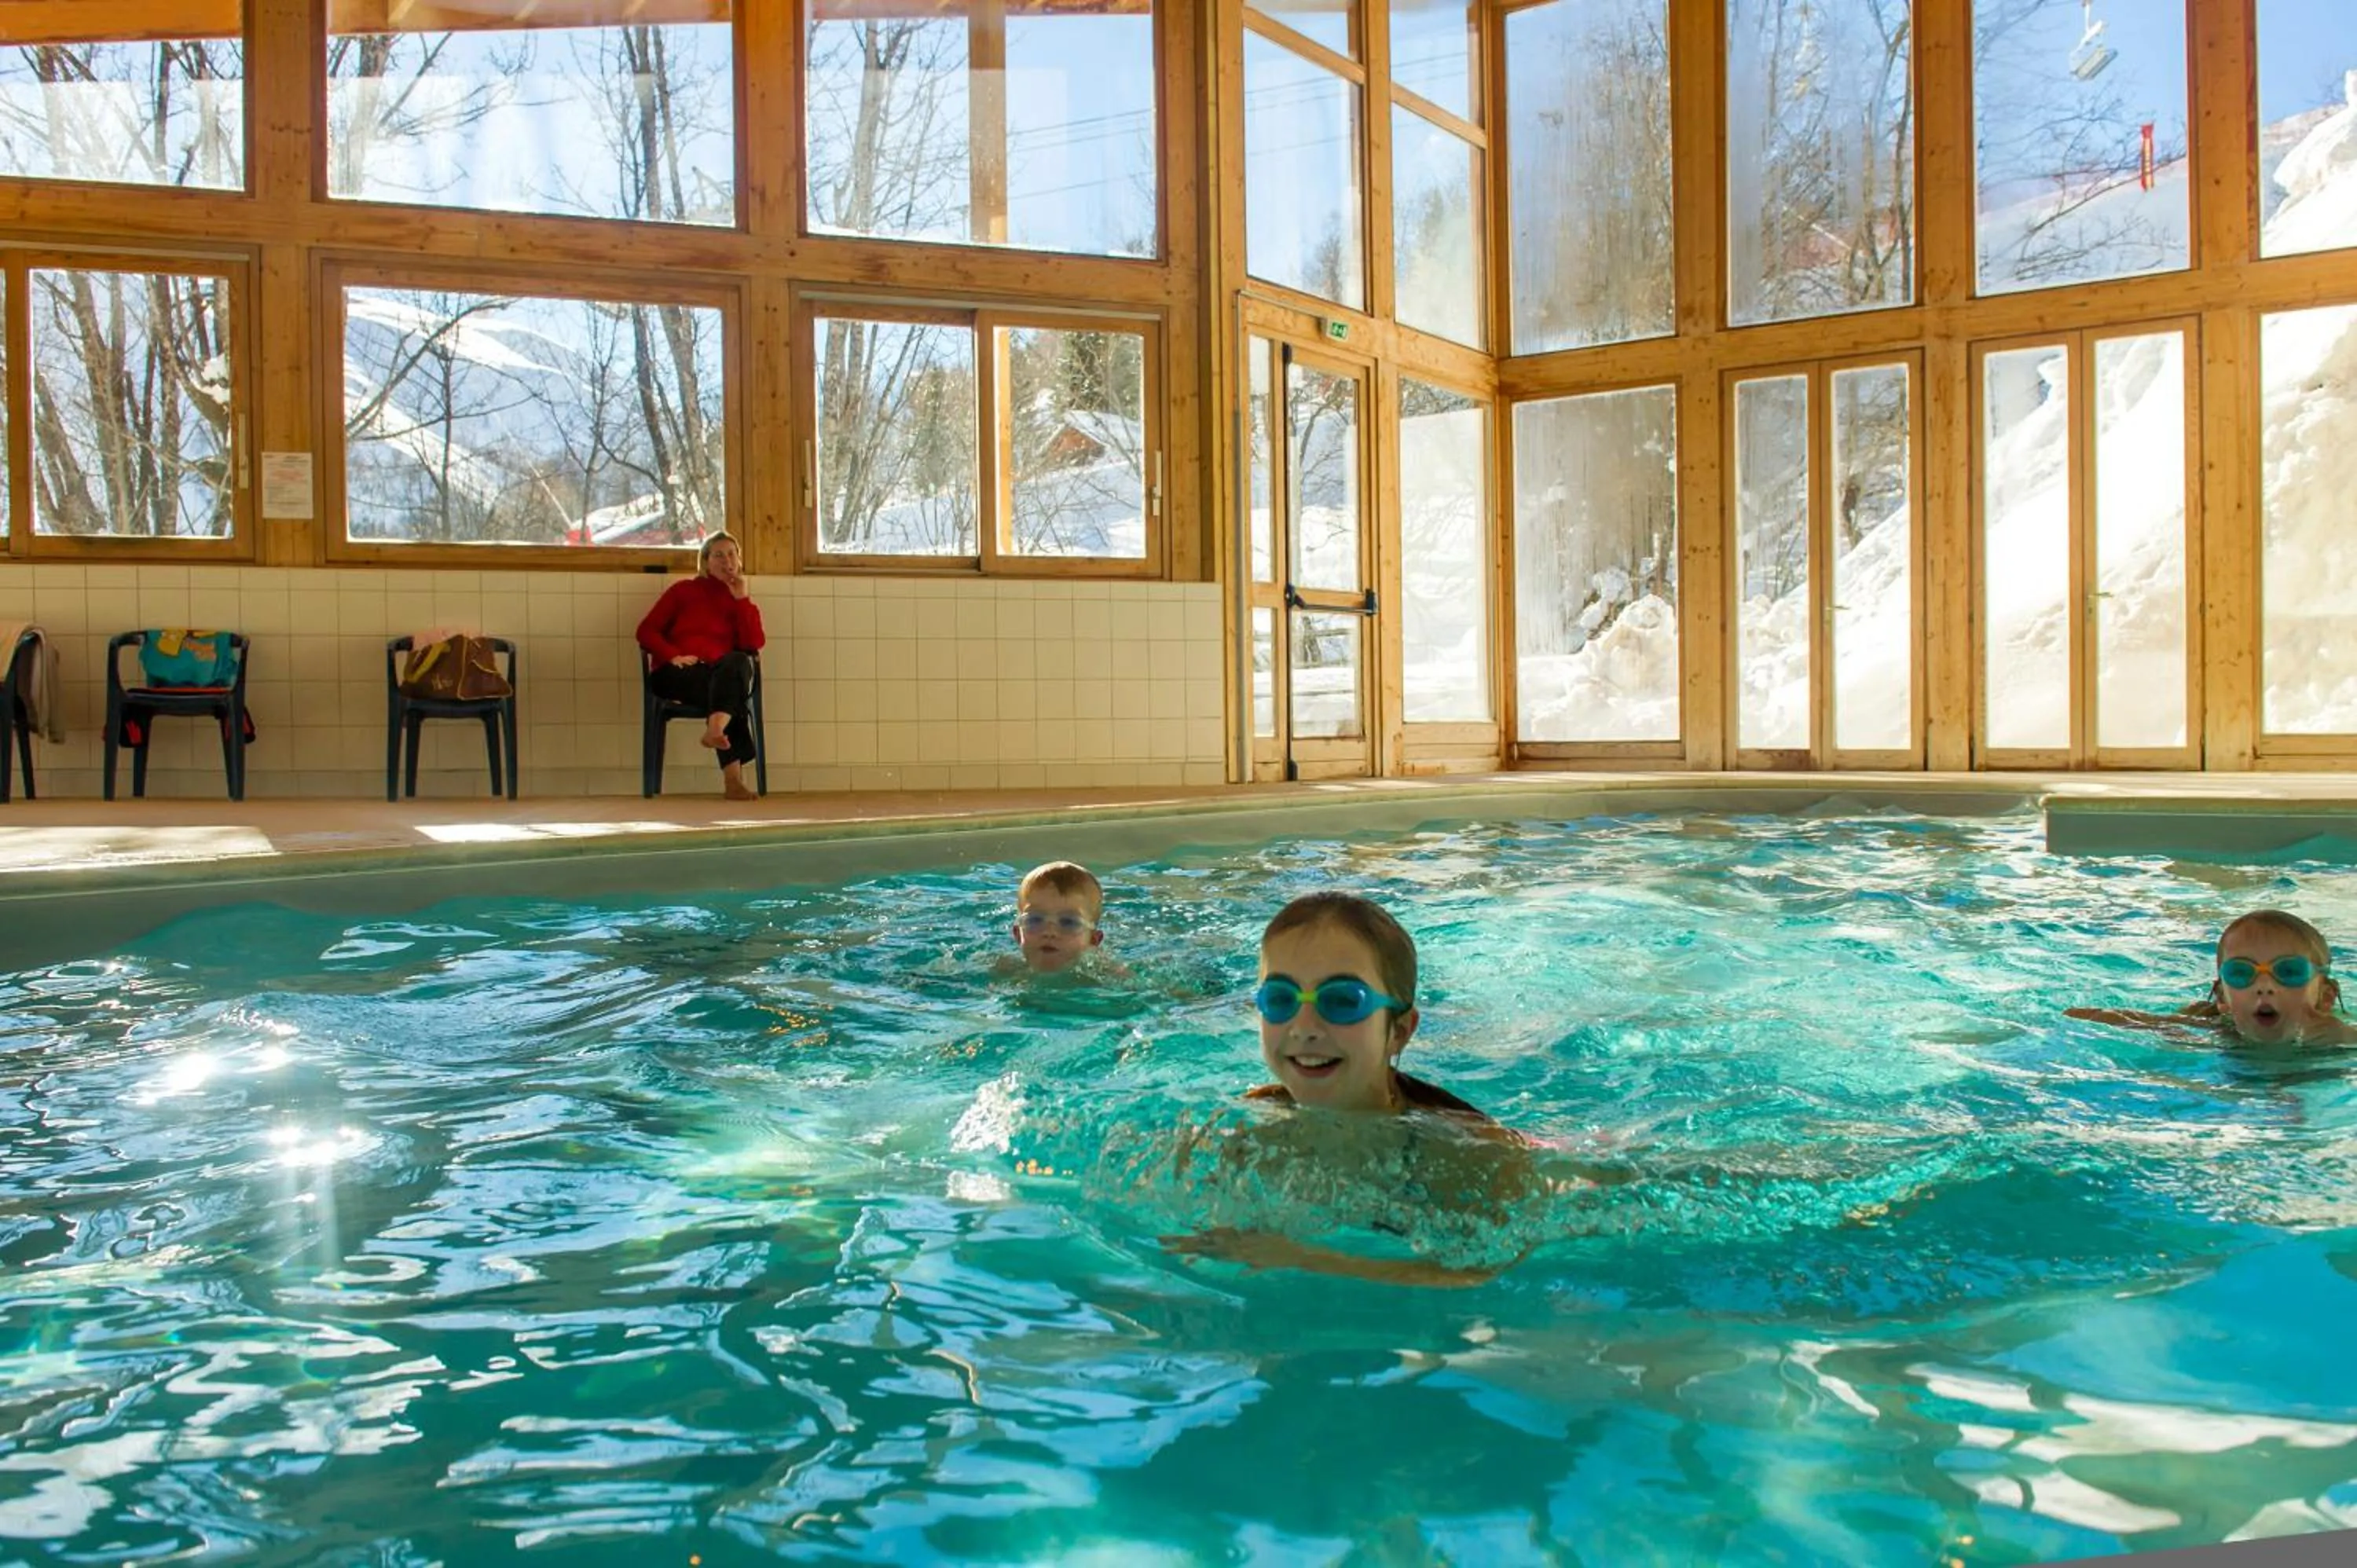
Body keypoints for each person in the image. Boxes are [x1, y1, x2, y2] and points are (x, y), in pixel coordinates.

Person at [1163, 892, 1537, 1287]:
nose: (1304, 1027)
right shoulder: (1237, 1136)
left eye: (1342, 1000)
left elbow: (1486, 1273)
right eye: (1280, 998)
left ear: (1399, 1031)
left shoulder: (1469, 1157)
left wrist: (1308, 1260)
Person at [2068, 908, 2357, 1047]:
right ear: (2223, 999)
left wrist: (2347, 1039)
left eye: (2289, 972)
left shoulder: (2343, 1038)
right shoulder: (2214, 1031)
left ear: (2326, 996)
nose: (2265, 987)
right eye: (2242, 973)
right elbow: (2140, 1021)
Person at [637, 533, 764, 802]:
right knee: (730, 696)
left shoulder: (739, 600)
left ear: (739, 561)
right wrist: (672, 655)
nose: (726, 560)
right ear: (706, 562)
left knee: (736, 666)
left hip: (718, 674)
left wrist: (742, 600)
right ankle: (732, 778)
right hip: (678, 673)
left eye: (732, 554)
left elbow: (753, 643)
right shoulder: (683, 591)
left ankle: (716, 728)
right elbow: (646, 631)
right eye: (718, 555)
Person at [1006, 861, 1120, 976]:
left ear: (1093, 940)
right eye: (1035, 920)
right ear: (1018, 934)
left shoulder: (1108, 976)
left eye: (1068, 922)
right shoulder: (1007, 972)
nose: (1049, 932)